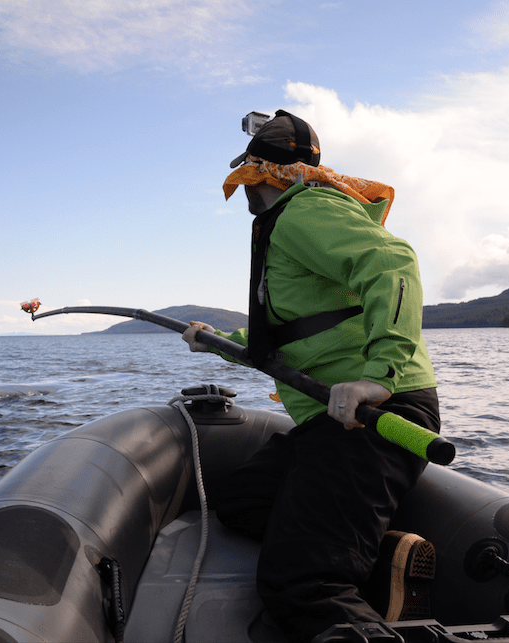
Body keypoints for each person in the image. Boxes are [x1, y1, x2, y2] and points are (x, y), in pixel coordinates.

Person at [181, 110, 441, 643]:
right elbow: (286, 338)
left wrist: (379, 377)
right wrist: (219, 340)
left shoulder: (307, 209)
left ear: (261, 174)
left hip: (371, 415)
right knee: (242, 501)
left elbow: (393, 265)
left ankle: (340, 579)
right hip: (330, 419)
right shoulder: (288, 224)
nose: (246, 191)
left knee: (301, 586)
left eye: (248, 175)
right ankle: (379, 554)